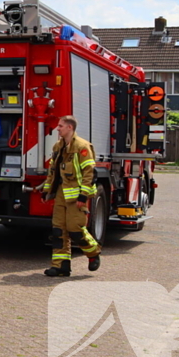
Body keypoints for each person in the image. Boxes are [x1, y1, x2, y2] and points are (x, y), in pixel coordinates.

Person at [41, 115, 102, 277]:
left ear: (70, 128)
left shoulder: (82, 146)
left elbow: (89, 174)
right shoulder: (57, 147)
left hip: (76, 196)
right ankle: (60, 265)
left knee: (75, 229)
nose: (58, 128)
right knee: (58, 231)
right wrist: (47, 191)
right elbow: (52, 172)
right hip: (61, 194)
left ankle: (93, 253)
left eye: (61, 126)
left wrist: (83, 196)